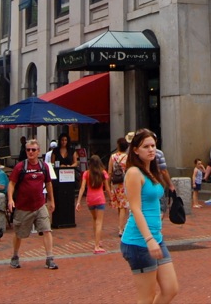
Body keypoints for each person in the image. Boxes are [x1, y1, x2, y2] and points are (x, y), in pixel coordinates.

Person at [120, 129, 179, 304]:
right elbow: (135, 209)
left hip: (156, 237)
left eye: (153, 145)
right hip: (139, 242)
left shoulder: (151, 172)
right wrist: (149, 239)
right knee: (146, 298)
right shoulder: (133, 173)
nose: (151, 149)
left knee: (170, 289)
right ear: (136, 150)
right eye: (146, 146)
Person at [6, 139, 58, 270]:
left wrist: (51, 200)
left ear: (38, 151)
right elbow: (11, 184)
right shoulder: (20, 167)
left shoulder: (43, 167)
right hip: (23, 207)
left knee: (46, 230)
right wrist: (10, 199)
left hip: (40, 205)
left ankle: (49, 258)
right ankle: (15, 256)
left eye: (33, 150)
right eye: (28, 149)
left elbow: (48, 184)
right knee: (19, 233)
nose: (30, 152)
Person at [75, 154, 108, 253]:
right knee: (99, 222)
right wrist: (111, 198)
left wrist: (78, 201)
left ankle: (97, 240)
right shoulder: (103, 173)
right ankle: (97, 246)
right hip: (100, 199)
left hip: (90, 200)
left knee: (95, 219)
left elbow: (82, 188)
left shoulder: (86, 173)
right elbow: (107, 188)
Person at [108, 137, 130, 236]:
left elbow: (109, 172)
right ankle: (121, 228)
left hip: (115, 184)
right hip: (124, 183)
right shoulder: (127, 157)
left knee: (118, 205)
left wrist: (108, 185)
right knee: (123, 206)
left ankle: (121, 225)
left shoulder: (112, 157)